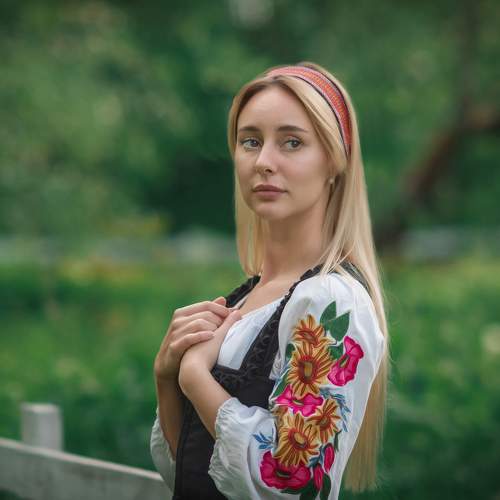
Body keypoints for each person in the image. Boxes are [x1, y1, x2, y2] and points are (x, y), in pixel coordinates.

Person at [150, 61, 390, 499]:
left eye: (292, 142)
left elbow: (293, 485)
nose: (263, 162)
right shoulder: (246, 298)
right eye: (251, 141)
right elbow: (187, 474)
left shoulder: (332, 301)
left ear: (334, 161)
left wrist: (195, 377)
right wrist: (166, 379)